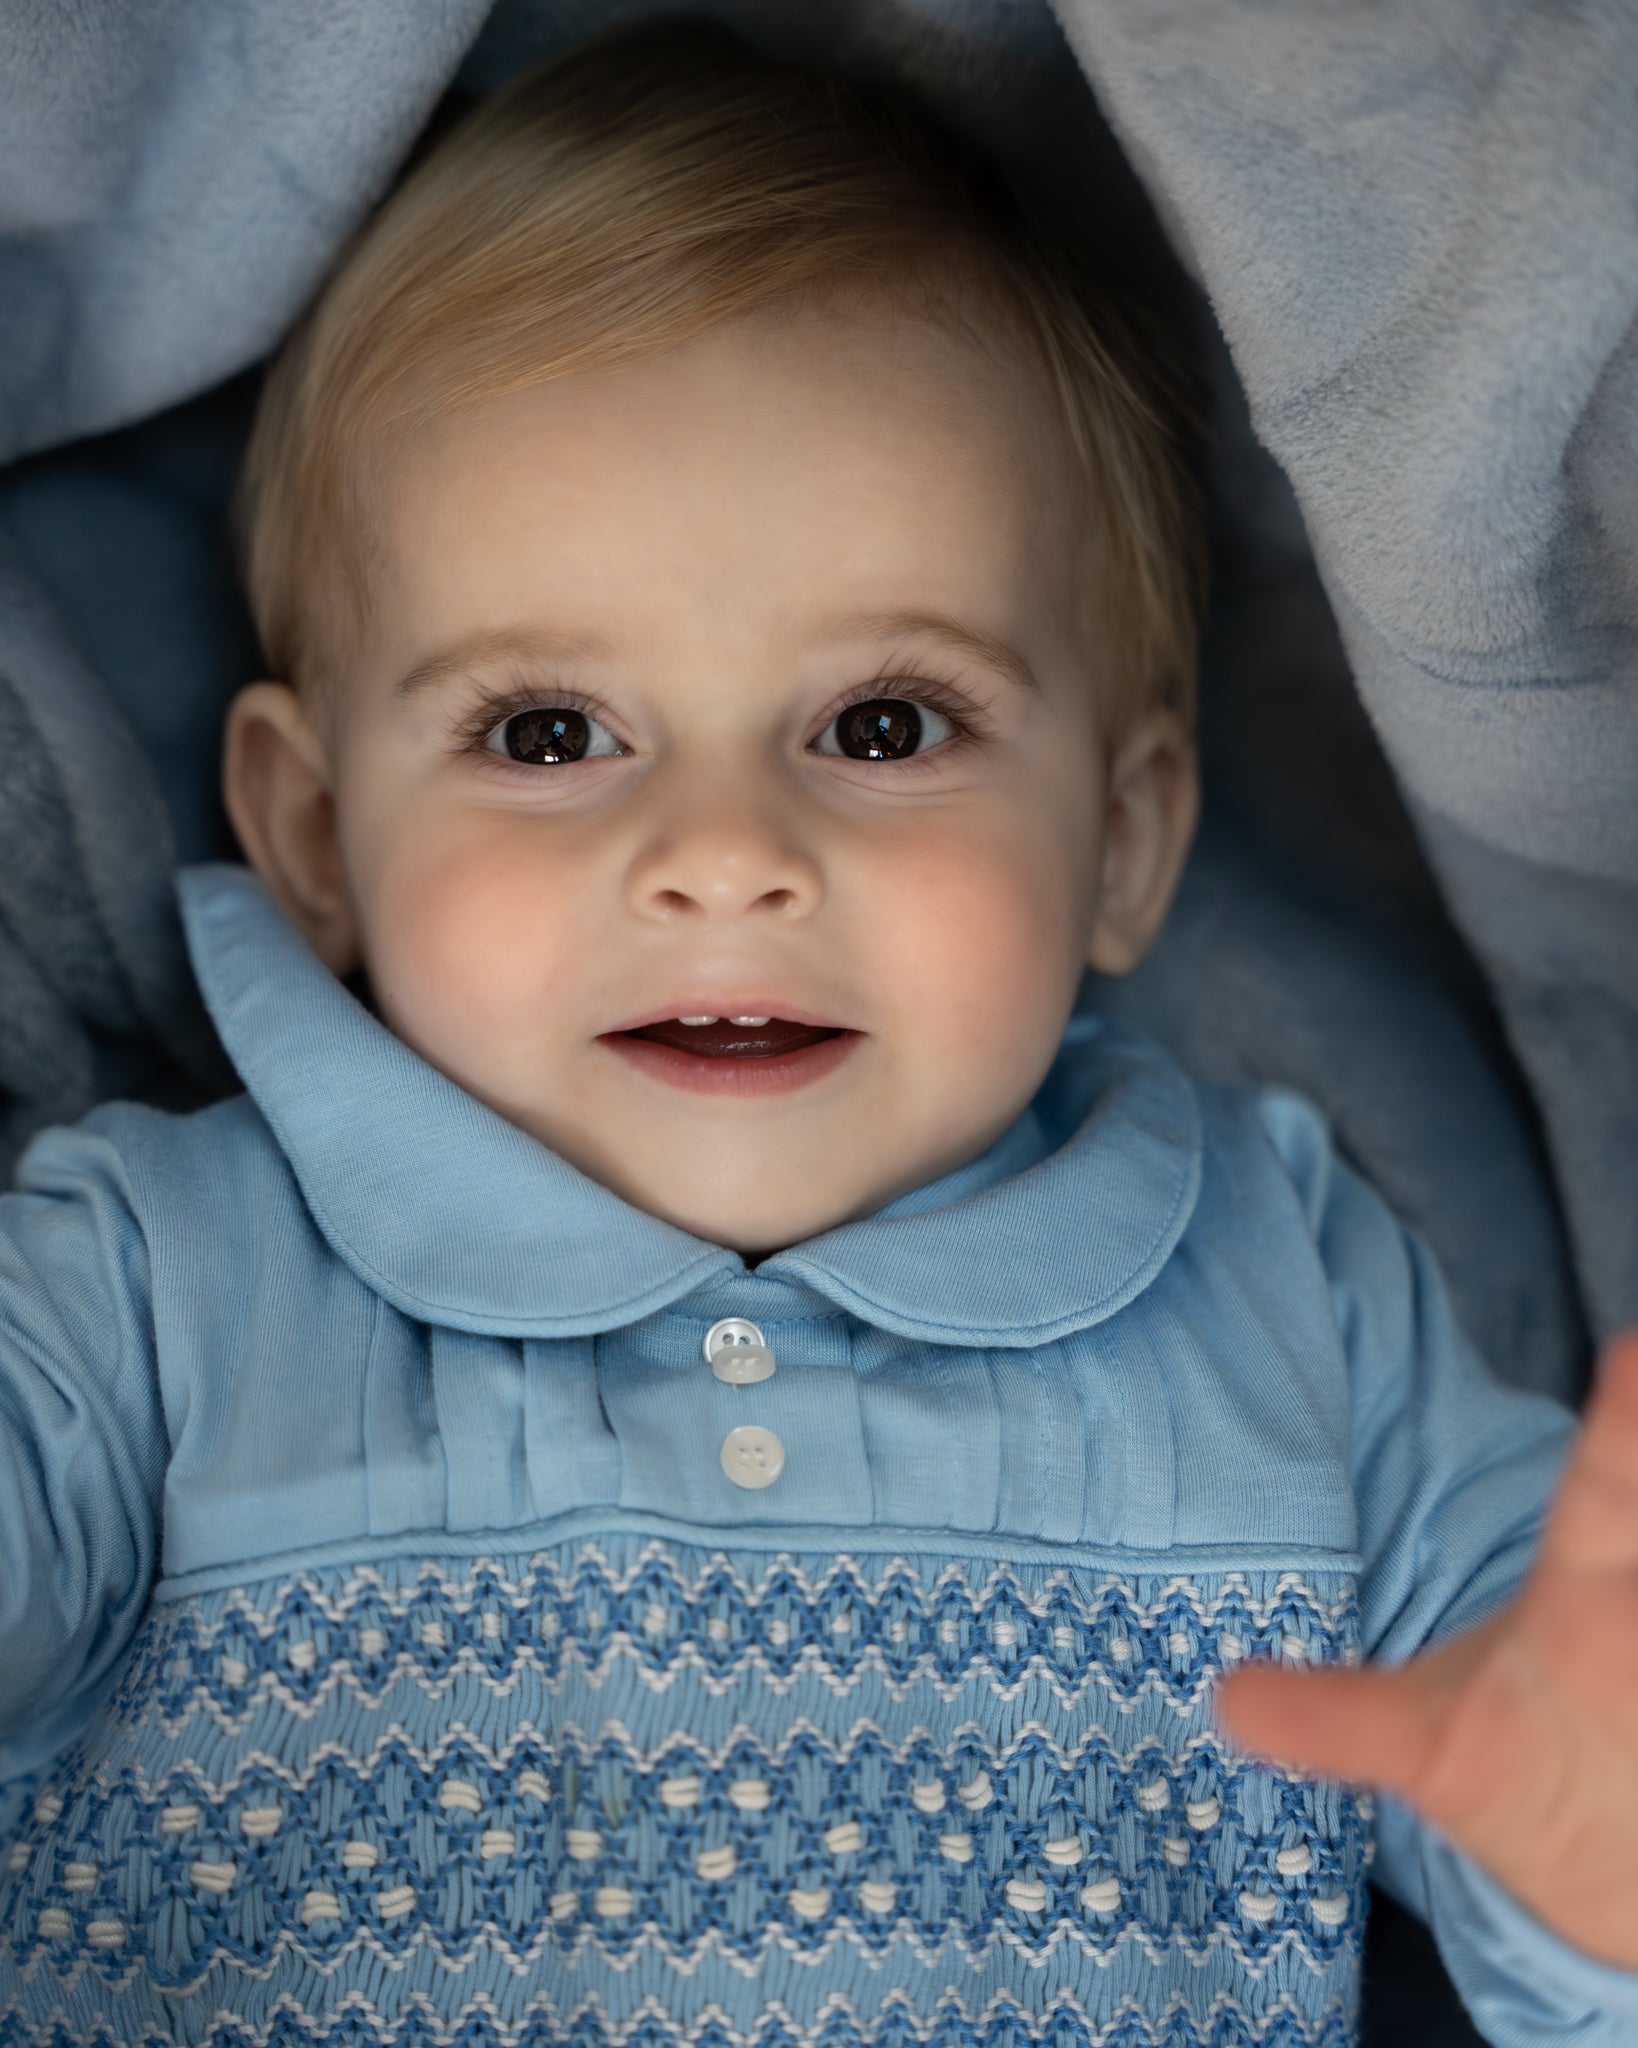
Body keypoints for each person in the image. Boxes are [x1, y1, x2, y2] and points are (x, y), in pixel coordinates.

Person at [2, 16, 1636, 2045]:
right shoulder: (157, 1288)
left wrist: (1588, 1857)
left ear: (1122, 841)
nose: (724, 857)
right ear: (322, 840)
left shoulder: (1284, 1286)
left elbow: (1548, 1752)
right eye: (549, 733)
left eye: (881, 723)